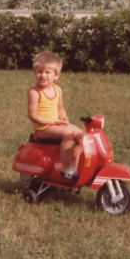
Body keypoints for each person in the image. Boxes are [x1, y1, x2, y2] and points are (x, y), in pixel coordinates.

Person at [28, 51, 83, 180]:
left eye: (48, 72)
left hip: (56, 124)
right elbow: (33, 116)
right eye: (39, 72)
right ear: (35, 72)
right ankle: (65, 167)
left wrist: (63, 117)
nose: (43, 75)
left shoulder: (58, 90)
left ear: (56, 75)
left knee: (83, 137)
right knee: (68, 133)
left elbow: (60, 108)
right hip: (42, 128)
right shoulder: (34, 92)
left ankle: (73, 168)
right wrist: (53, 123)